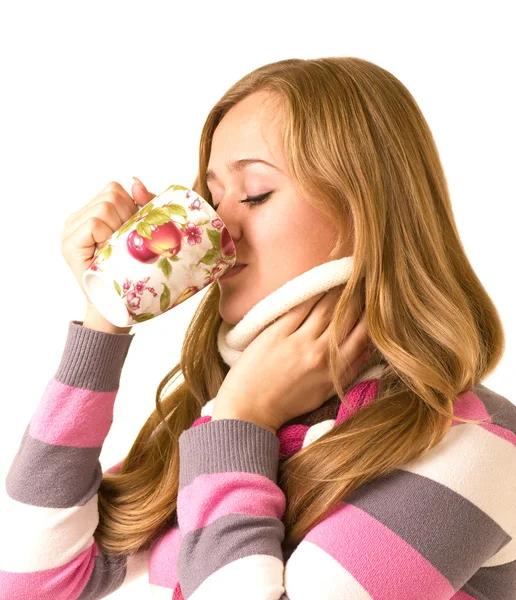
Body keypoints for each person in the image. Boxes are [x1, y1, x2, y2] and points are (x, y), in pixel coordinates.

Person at [1, 56, 515, 599]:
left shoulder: (481, 442)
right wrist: (105, 317)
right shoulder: (220, 423)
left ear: (369, 210)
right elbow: (32, 583)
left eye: (255, 194)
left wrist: (242, 421)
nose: (218, 228)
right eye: (211, 198)